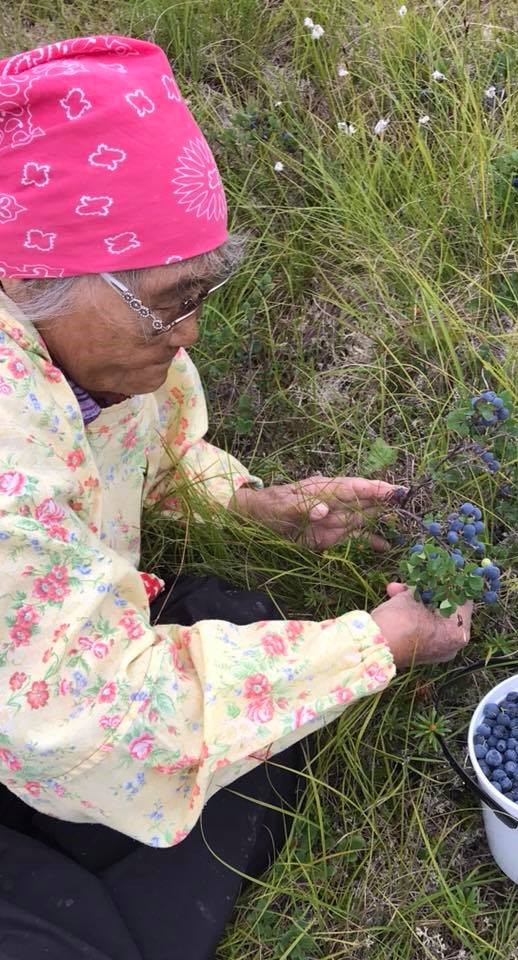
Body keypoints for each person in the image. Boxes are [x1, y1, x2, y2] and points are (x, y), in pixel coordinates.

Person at [0, 34, 472, 960]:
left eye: (202, 292)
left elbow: (137, 465)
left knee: (240, 668)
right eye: (171, 300)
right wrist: (376, 644)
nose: (189, 334)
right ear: (38, 274)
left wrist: (253, 506)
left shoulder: (72, 341)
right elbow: (82, 717)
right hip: (44, 703)